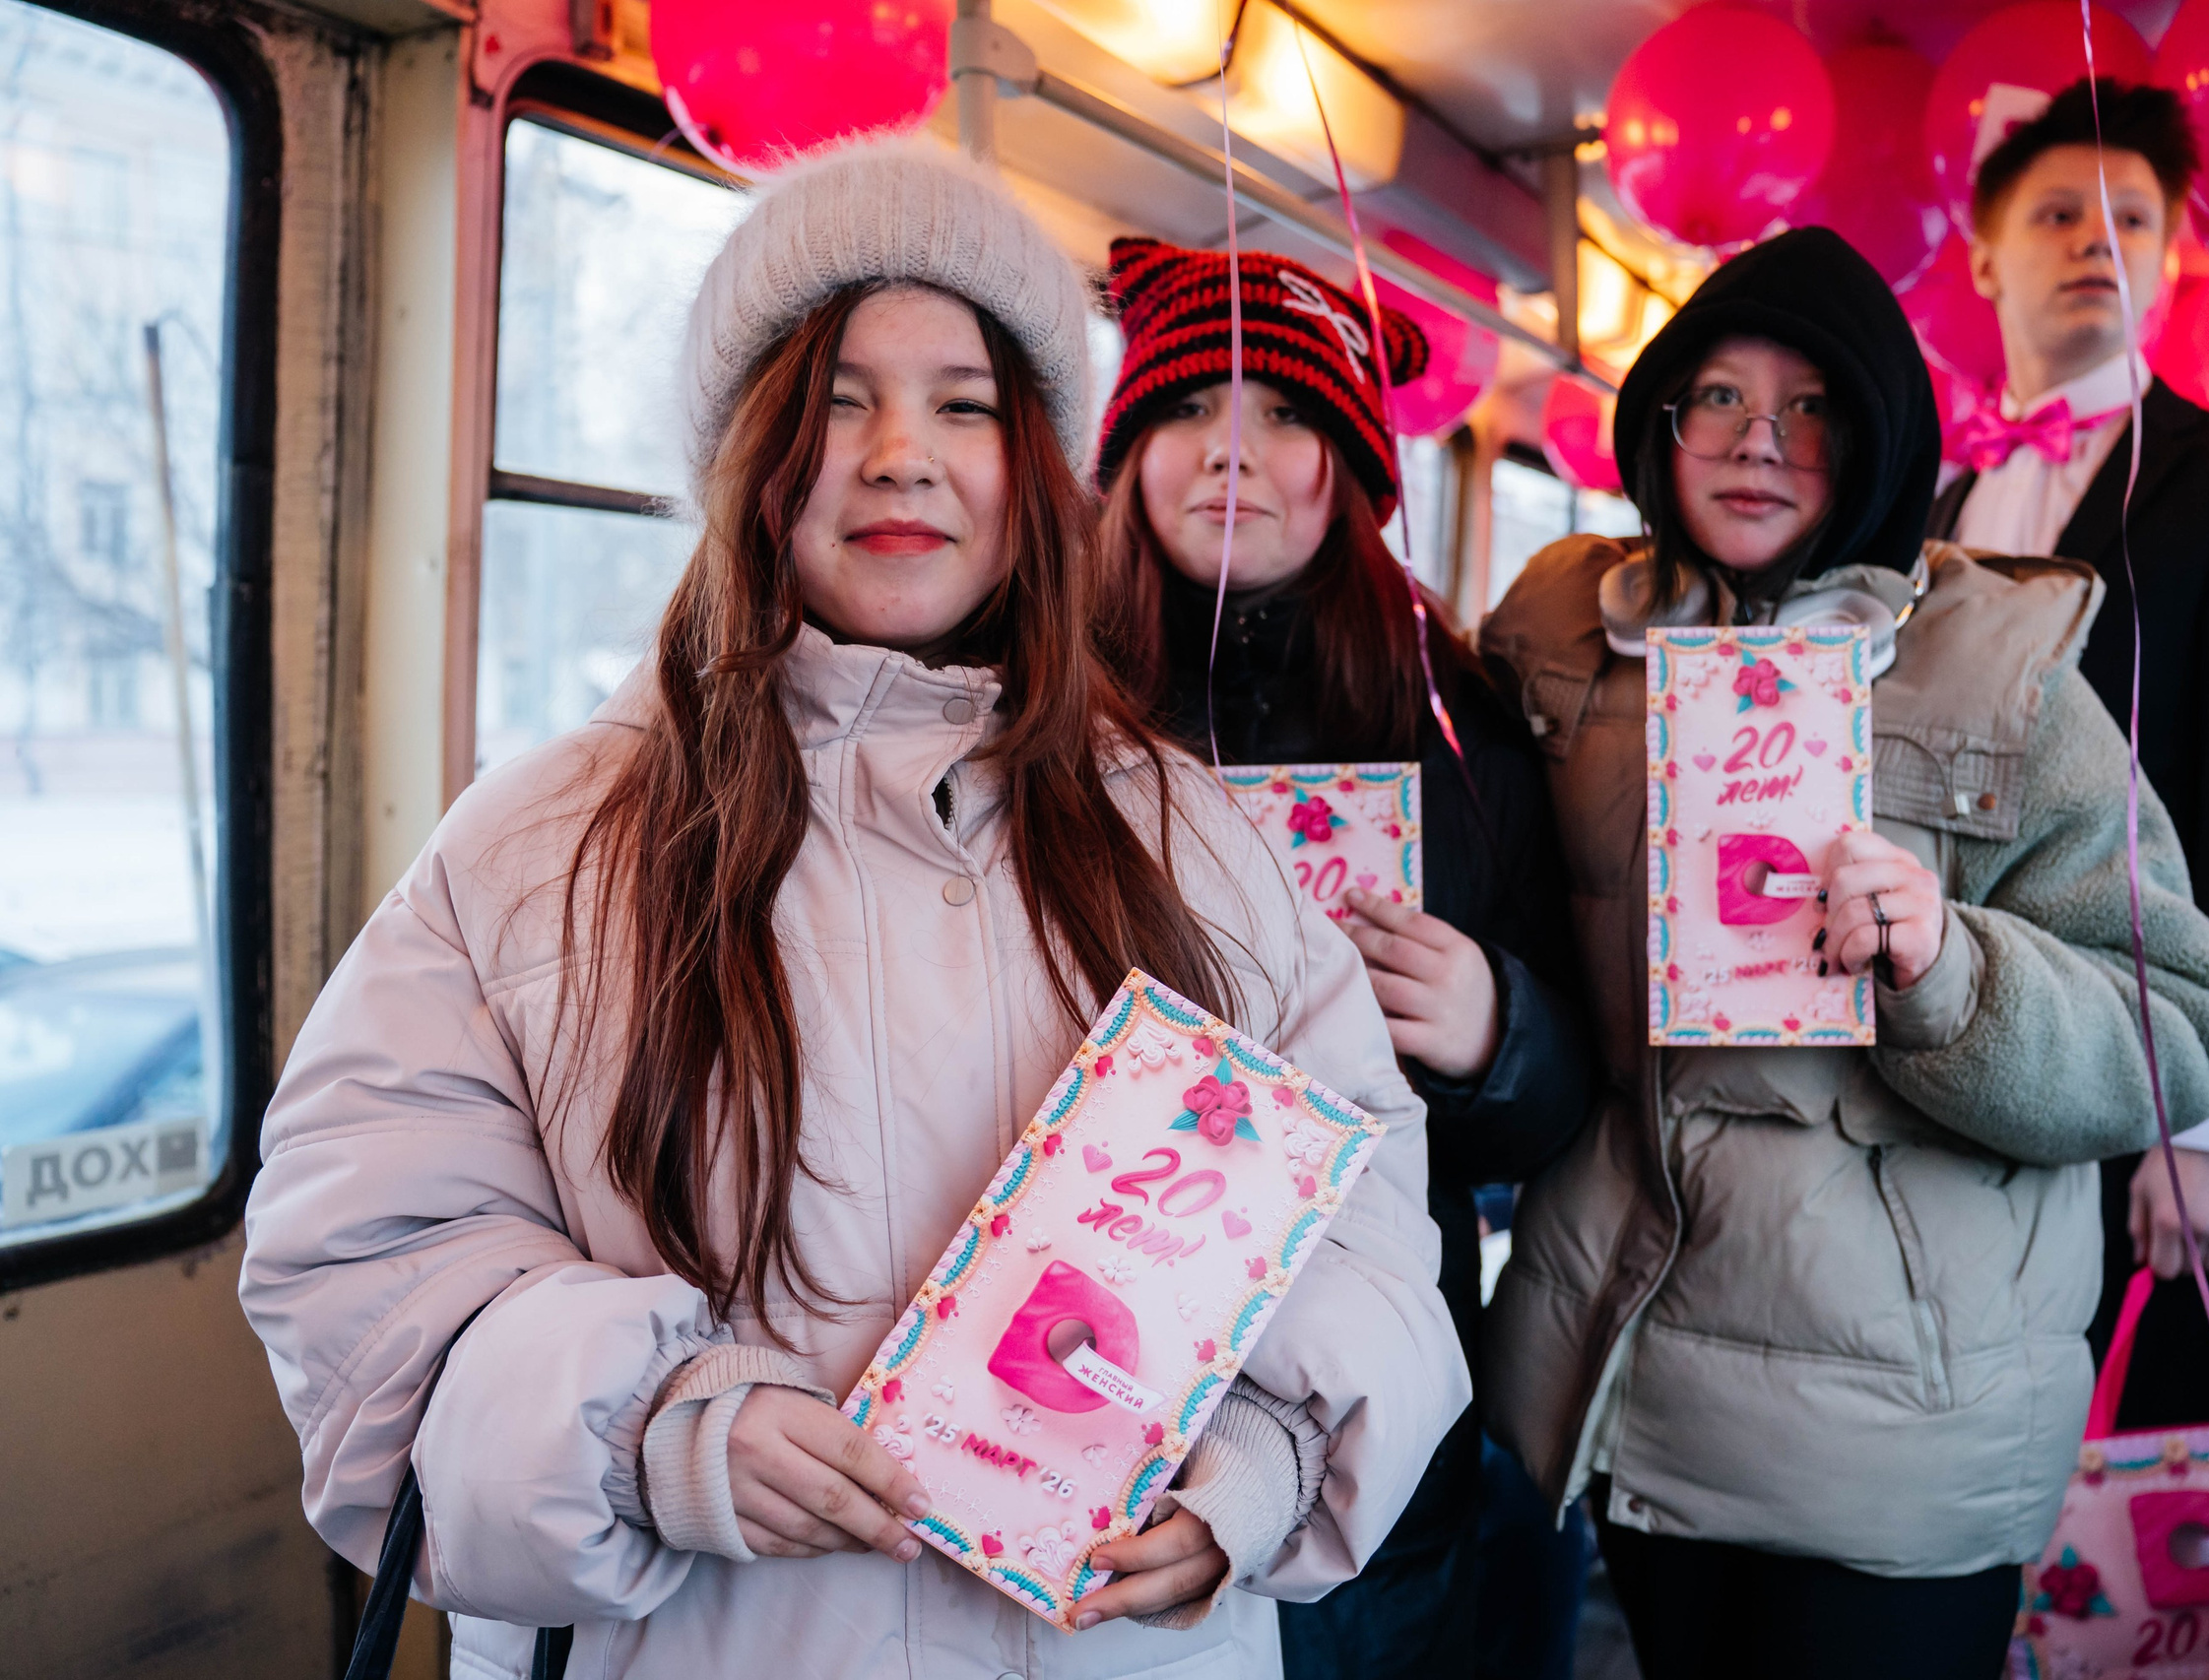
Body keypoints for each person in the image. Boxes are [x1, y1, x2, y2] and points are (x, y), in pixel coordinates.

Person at [236, 137, 1467, 1680]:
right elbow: (362, 1263)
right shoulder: (539, 844)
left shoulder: (1193, 845)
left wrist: (1266, 1465)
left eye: (965, 404)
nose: (902, 453)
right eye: (836, 400)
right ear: (749, 456)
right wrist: (652, 1438)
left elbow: (1360, 1218)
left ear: (1035, 469)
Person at [1479, 225, 2209, 1680]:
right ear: (1657, 421)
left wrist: (1952, 972)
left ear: (1885, 433)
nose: (1757, 441)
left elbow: (2187, 1025)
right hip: (1634, 1385)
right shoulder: (1569, 640)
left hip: (1898, 1438)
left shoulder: (2002, 673)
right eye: (1714, 395)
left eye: (1813, 406)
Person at [1091, 236, 1594, 1680]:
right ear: (1126, 452)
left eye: (1290, 412)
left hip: (1364, 1388)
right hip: (1097, 1364)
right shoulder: (1038, 713)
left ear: (1359, 467)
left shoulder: (1461, 739)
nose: (1230, 452)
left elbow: (1565, 1109)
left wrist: (1500, 1030)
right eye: (1188, 407)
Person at [1926, 79, 2209, 1422]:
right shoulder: (1928, 507)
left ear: (2167, 258)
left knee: (2137, 1511)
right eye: (2058, 213)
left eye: (2132, 217)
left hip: (2139, 1076)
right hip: (1941, 1059)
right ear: (1986, 255)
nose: (2097, 238)